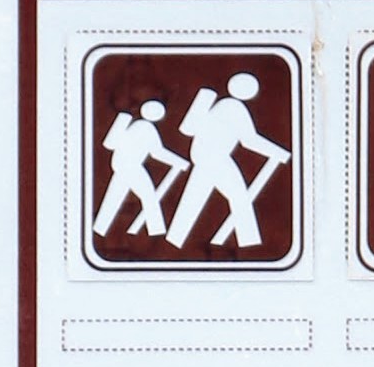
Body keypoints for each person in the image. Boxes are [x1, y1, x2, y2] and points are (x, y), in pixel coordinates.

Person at [170, 69, 291, 251]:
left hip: (203, 158)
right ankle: (250, 244)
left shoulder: (220, 105)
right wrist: (278, 152)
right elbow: (249, 140)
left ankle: (175, 240)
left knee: (192, 201)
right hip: (216, 159)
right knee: (239, 198)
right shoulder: (234, 108)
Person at [93, 95, 185, 242]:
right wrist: (179, 162)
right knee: (149, 197)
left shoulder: (135, 126)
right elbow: (156, 152)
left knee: (114, 198)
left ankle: (100, 228)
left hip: (121, 166)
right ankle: (156, 232)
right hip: (131, 167)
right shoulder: (146, 128)